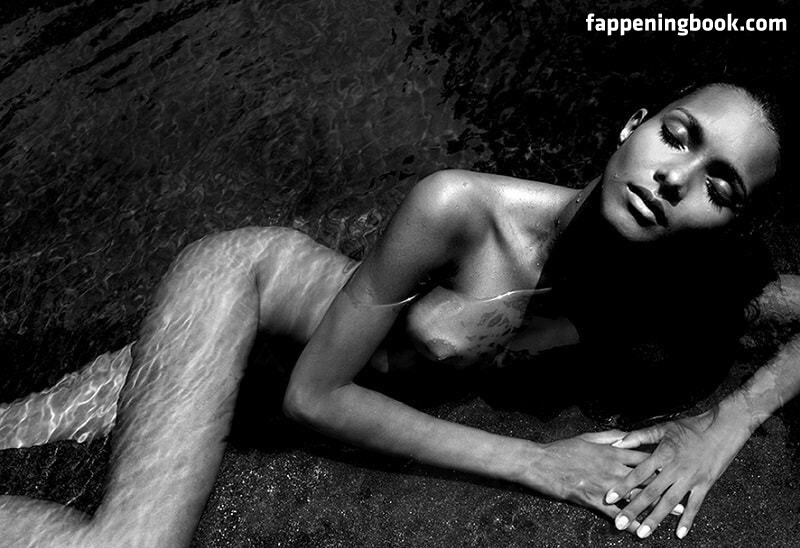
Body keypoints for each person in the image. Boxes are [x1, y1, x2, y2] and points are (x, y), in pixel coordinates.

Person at [1, 82, 798, 546]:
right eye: (676, 137)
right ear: (632, 127)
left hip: (260, 367)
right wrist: (536, 463)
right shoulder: (464, 210)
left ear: (732, 224)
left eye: (719, 185)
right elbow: (314, 396)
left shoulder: (681, 287)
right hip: (234, 300)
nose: (674, 179)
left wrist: (724, 423)